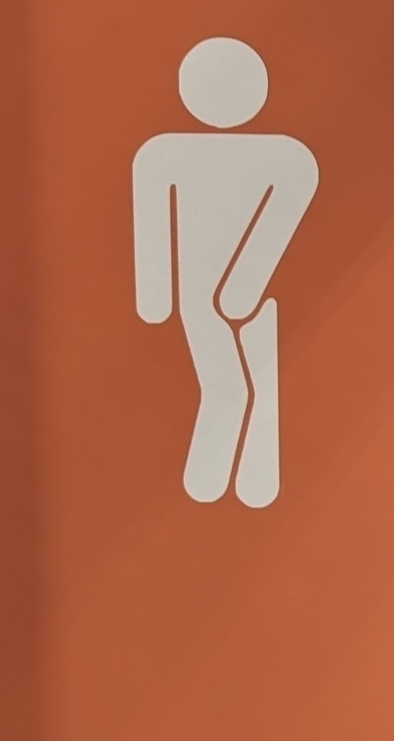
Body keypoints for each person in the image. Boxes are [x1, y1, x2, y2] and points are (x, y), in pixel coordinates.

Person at [133, 37, 318, 509]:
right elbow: (154, 223)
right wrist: (157, 299)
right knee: (232, 385)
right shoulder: (162, 154)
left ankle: (232, 483)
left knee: (246, 384)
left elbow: (282, 214)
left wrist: (239, 289)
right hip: (210, 294)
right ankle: (217, 485)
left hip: (247, 293)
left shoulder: (285, 156)